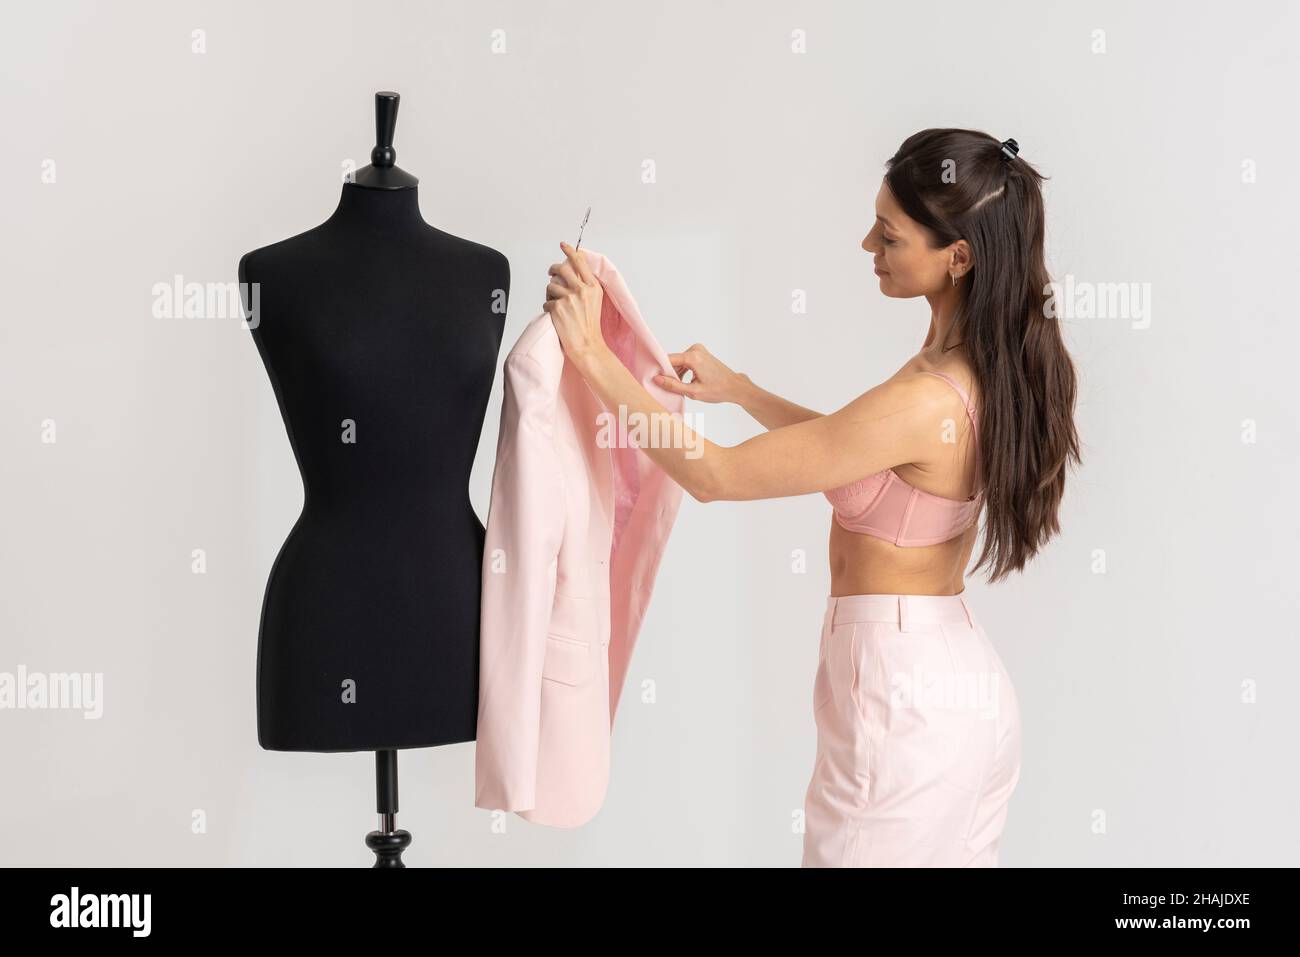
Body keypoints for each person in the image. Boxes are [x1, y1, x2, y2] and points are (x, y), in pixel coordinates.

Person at [543, 128, 1080, 866]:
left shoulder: (929, 395)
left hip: (903, 703)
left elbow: (715, 477)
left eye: (889, 235)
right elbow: (853, 453)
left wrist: (596, 360)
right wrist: (742, 391)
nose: (868, 244)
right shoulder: (970, 366)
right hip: (950, 686)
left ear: (959, 255)